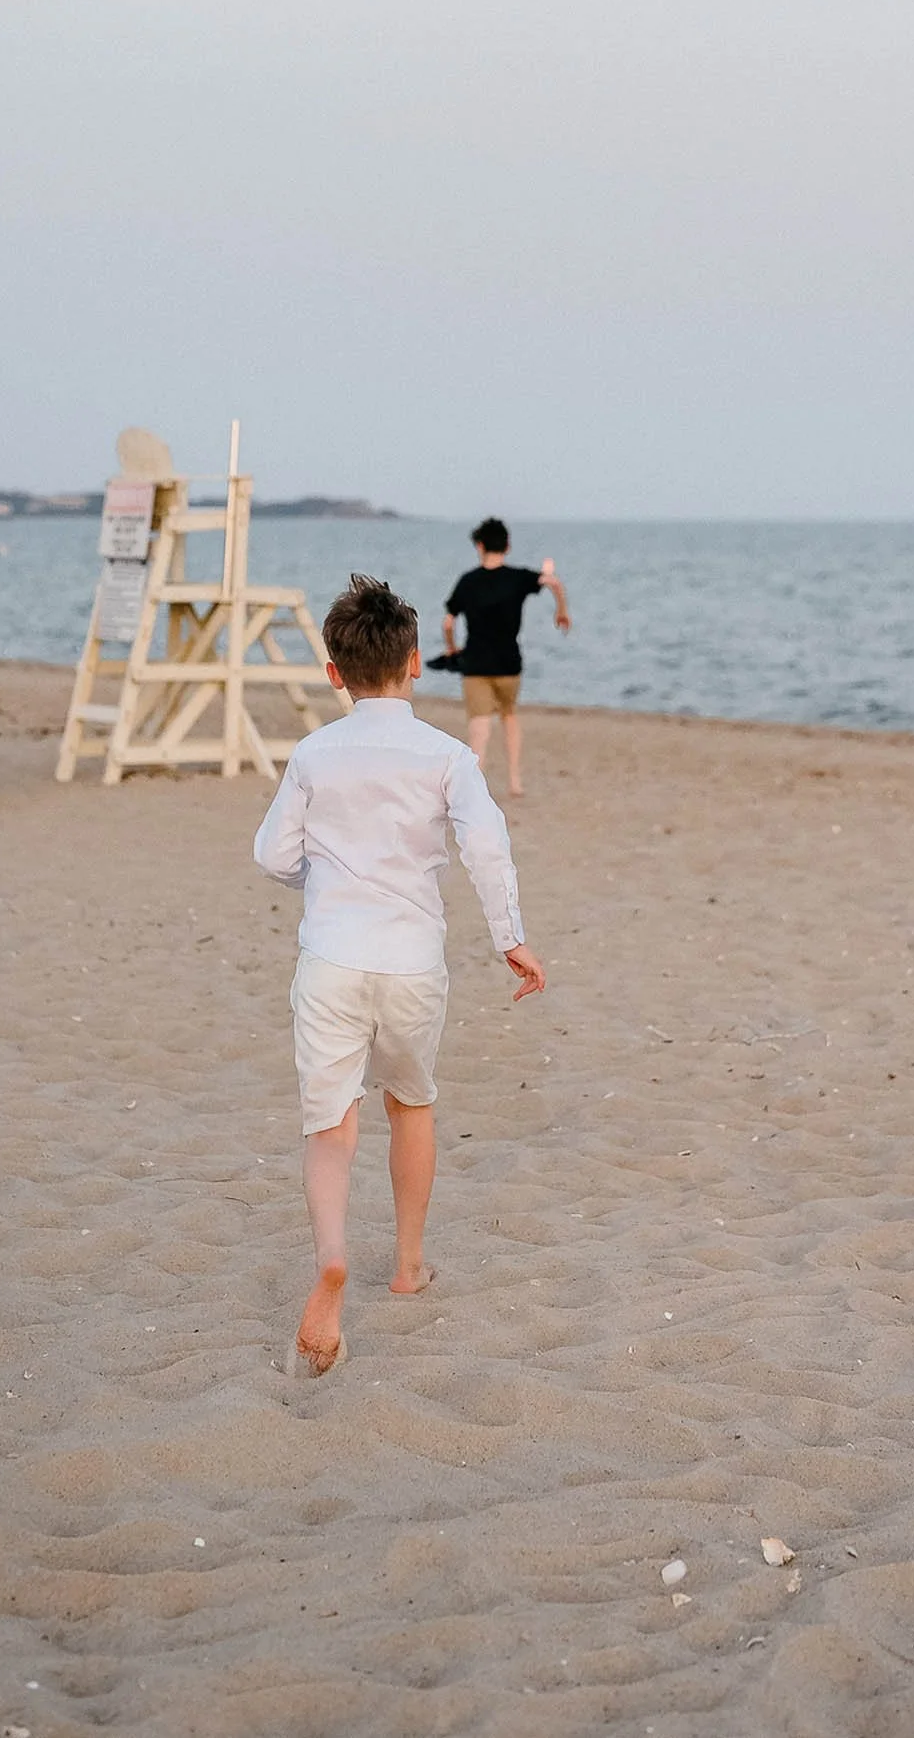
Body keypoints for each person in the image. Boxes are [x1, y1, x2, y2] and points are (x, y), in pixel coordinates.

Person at [253, 574, 546, 1379]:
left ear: (333, 673)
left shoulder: (314, 753)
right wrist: (510, 938)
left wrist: (320, 880)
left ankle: (333, 1260)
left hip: (333, 959)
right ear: (416, 663)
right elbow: (486, 847)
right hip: (412, 961)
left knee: (329, 1124)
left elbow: (274, 854)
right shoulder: (447, 756)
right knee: (411, 1103)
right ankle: (408, 1266)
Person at [436, 516, 571, 796]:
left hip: (475, 665)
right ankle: (514, 780)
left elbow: (448, 622)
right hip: (509, 664)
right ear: (507, 547)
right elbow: (552, 582)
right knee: (509, 716)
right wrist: (561, 611)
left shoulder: (468, 582)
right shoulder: (518, 578)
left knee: (479, 726)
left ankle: (475, 783)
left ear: (480, 546)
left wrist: (451, 648)